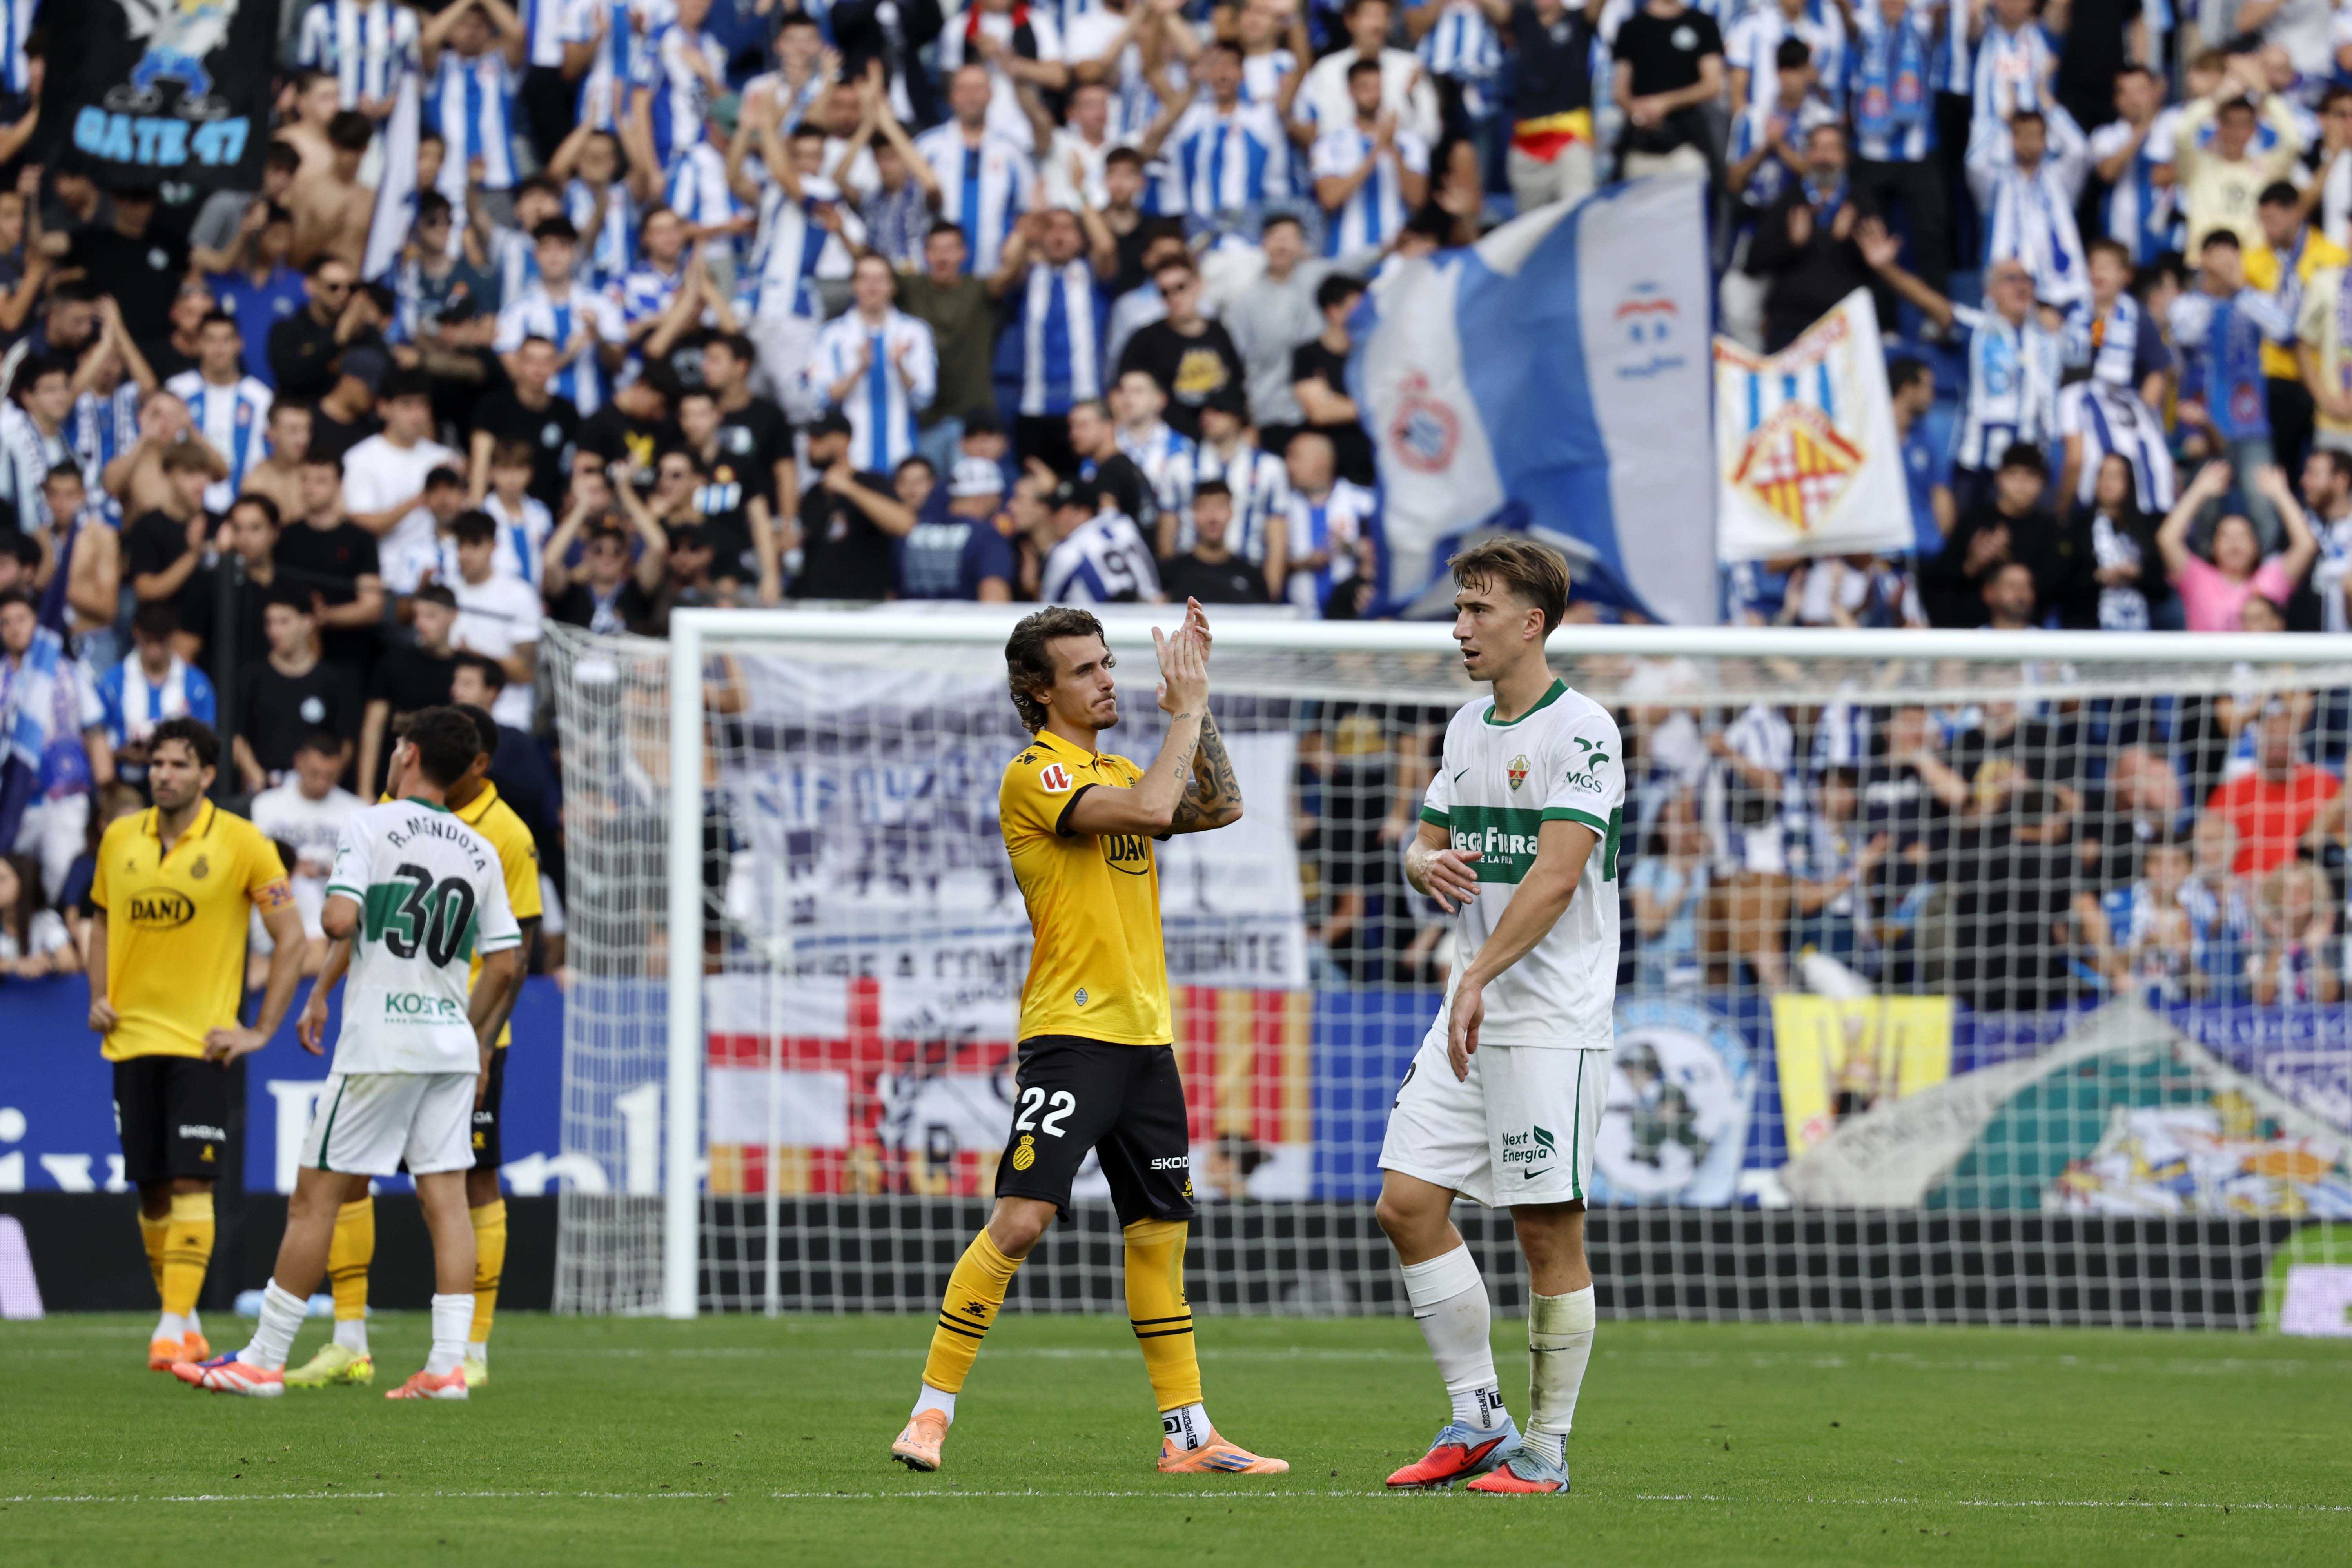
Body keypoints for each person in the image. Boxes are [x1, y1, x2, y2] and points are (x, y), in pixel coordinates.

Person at [891, 600, 1281, 1477]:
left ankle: (1189, 1436)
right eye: (1087, 669)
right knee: (1023, 1220)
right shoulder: (1040, 773)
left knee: (1159, 1231)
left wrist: (1198, 697)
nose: (1109, 678)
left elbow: (1220, 805)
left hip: (1147, 1041)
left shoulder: (1111, 766)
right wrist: (1182, 712)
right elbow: (1152, 808)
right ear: (1040, 690)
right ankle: (930, 1412)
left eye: (1109, 662)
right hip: (1072, 1034)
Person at [178, 708, 523, 1399]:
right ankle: (449, 1365)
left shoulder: (371, 823)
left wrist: (345, 924)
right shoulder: (478, 846)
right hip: (449, 1044)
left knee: (315, 1198)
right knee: (447, 1200)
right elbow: (510, 963)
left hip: (382, 1042)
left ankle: (266, 1359)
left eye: (399, 744)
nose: (394, 753)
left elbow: (336, 919)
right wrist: (480, 1041)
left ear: (412, 755)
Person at [1376, 538, 1615, 1495]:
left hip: (1548, 1021)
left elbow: (1558, 875)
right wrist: (1415, 860)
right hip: (1472, 1006)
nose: (1460, 626)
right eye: (1460, 608)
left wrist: (1475, 973)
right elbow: (1424, 841)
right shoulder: (1466, 726)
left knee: (1544, 1232)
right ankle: (1478, 1417)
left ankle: (1547, 1450)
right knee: (1405, 1202)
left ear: (1531, 621)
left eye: (1478, 609)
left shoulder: (1585, 729)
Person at [290, 701, 541, 1390]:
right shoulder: (452, 835)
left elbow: (512, 956)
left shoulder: (504, 836)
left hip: (436, 1035)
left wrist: (487, 1041)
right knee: (419, 1190)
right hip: (451, 1035)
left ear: (413, 755)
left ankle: (470, 1350)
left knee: (444, 1183)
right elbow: (386, 921)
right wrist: (321, 989)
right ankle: (371, 1345)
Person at [85, 717, 307, 1373]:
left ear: (209, 775)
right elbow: (100, 918)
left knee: (191, 1179)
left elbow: (291, 936)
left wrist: (261, 1029)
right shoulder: (119, 838)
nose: (164, 775)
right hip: (130, 1038)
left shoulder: (244, 843)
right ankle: (184, 1321)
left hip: (203, 1041)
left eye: (179, 765)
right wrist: (98, 993)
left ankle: (170, 1324)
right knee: (151, 1190)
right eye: (157, 764)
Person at [804, 253, 938, 476]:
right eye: (865, 279)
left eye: (880, 279)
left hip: (901, 457)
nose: (872, 287)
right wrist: (859, 370)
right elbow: (821, 398)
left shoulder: (915, 332)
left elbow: (924, 399)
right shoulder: (831, 335)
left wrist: (900, 366)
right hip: (850, 461)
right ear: (854, 285)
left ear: (893, 286)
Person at [248, 731, 365, 981]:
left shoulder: (358, 812)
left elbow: (364, 873)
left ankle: (272, 971)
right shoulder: (265, 805)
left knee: (310, 890)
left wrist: (322, 870)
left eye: (330, 776)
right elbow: (254, 863)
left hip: (333, 906)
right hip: (278, 897)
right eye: (315, 774)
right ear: (299, 762)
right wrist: (292, 868)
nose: (322, 782)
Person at [2156, 460, 2319, 632]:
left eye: (2243, 536)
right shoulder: (2196, 578)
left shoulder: (2271, 578)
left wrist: (2281, 494)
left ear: (2257, 547)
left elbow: (2306, 545)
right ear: (2213, 548)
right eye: (2225, 536)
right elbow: (2167, 539)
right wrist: (2199, 490)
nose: (2234, 544)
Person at [340, 370, 463, 595]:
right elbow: (363, 529)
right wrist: (423, 498)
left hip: (446, 581)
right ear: (383, 408)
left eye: (422, 406)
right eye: (407, 406)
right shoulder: (360, 459)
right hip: (389, 583)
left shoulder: (445, 458)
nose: (417, 416)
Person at [236, 589, 367, 791]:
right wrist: (255, 775)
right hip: (265, 788)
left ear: (307, 623)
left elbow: (346, 743)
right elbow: (236, 737)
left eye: (284, 622)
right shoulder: (252, 676)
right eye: (270, 622)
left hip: (317, 793)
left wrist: (324, 780)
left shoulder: (332, 681)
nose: (274, 631)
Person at [1116, 257, 1245, 441]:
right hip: (1167, 450)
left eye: (1181, 287)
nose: (1174, 297)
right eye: (1165, 292)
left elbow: (1238, 385)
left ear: (1198, 285)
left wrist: (1246, 427)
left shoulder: (1219, 332)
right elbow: (1119, 394)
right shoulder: (1144, 340)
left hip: (1220, 444)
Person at [793, 409, 915, 599]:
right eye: (810, 438)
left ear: (843, 440)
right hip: (815, 606)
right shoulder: (813, 494)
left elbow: (905, 525)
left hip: (862, 609)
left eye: (818, 438)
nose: (811, 446)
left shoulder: (872, 482)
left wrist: (850, 488)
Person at [443, 511, 542, 731]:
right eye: (461, 546)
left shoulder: (519, 595)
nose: (465, 555)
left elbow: (526, 672)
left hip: (507, 718)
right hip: (452, 717)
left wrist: (477, 656)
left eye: (474, 545)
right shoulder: (447, 593)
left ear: (493, 546)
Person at [1501, 0, 1602, 213]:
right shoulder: (1521, 19)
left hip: (1570, 137)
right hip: (1527, 143)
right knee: (1530, 228)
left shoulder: (1579, 20)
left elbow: (1597, 7)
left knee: (1577, 214)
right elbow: (1495, 10)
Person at [1610, 0, 1726, 181]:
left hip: (1688, 144)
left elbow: (1712, 85)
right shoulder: (1631, 28)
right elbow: (1620, 92)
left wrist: (1665, 103)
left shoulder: (1702, 23)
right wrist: (1640, 113)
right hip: (1641, 146)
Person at [1038, 477, 1161, 603]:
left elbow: (1046, 609)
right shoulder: (1123, 523)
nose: (1053, 519)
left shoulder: (1065, 552)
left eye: (1060, 512)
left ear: (1084, 512)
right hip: (1154, 611)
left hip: (1103, 620)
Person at [1159, 479, 1270, 604]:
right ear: (1194, 513)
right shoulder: (1171, 574)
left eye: (1219, 507)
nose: (1212, 518)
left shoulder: (1251, 576)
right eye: (1204, 508)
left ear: (1231, 513)